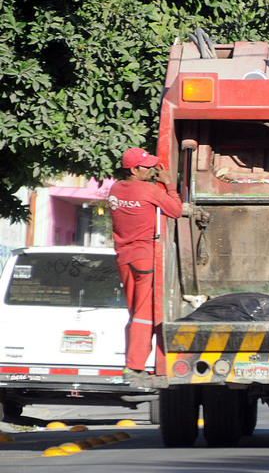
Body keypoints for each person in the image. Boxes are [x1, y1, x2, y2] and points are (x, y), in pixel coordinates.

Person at [109, 147, 183, 383]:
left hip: (124, 258)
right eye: (147, 167)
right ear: (134, 169)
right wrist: (169, 184)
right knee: (144, 314)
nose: (151, 170)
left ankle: (132, 363)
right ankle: (134, 366)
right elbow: (176, 210)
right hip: (145, 258)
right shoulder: (148, 190)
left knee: (134, 312)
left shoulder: (115, 189)